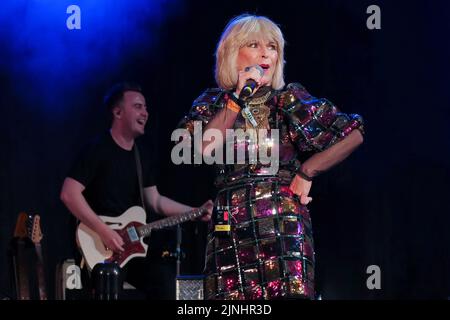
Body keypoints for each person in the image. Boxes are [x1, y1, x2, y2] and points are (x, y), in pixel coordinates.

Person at [177, 14, 364, 300]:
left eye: (273, 46)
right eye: (254, 44)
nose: (266, 52)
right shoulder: (212, 102)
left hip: (283, 226)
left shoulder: (288, 97)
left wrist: (306, 172)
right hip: (231, 230)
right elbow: (200, 149)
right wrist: (236, 100)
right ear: (231, 52)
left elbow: (354, 132)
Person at [60, 82, 213, 299]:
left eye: (146, 108)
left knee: (170, 287)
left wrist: (196, 210)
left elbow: (155, 201)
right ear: (118, 112)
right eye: (138, 106)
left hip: (133, 249)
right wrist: (104, 231)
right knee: (110, 287)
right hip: (101, 249)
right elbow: (69, 194)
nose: (145, 113)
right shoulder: (97, 150)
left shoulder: (142, 155)